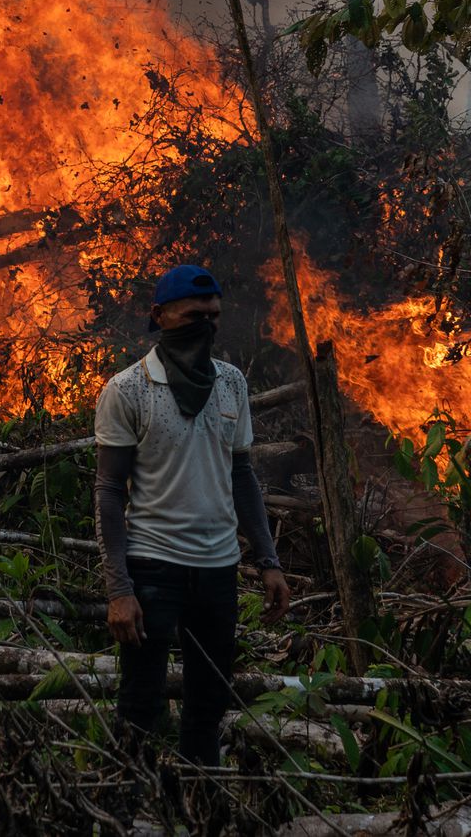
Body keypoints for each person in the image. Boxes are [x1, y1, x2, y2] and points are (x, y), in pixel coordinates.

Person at [93, 263, 289, 769]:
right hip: (153, 566)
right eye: (193, 315)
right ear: (159, 316)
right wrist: (119, 589)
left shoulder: (232, 384)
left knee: (209, 703)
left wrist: (267, 559)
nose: (207, 325)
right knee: (140, 704)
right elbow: (110, 491)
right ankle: (125, 809)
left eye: (214, 316)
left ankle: (200, 806)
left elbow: (242, 475)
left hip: (219, 570)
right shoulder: (128, 389)